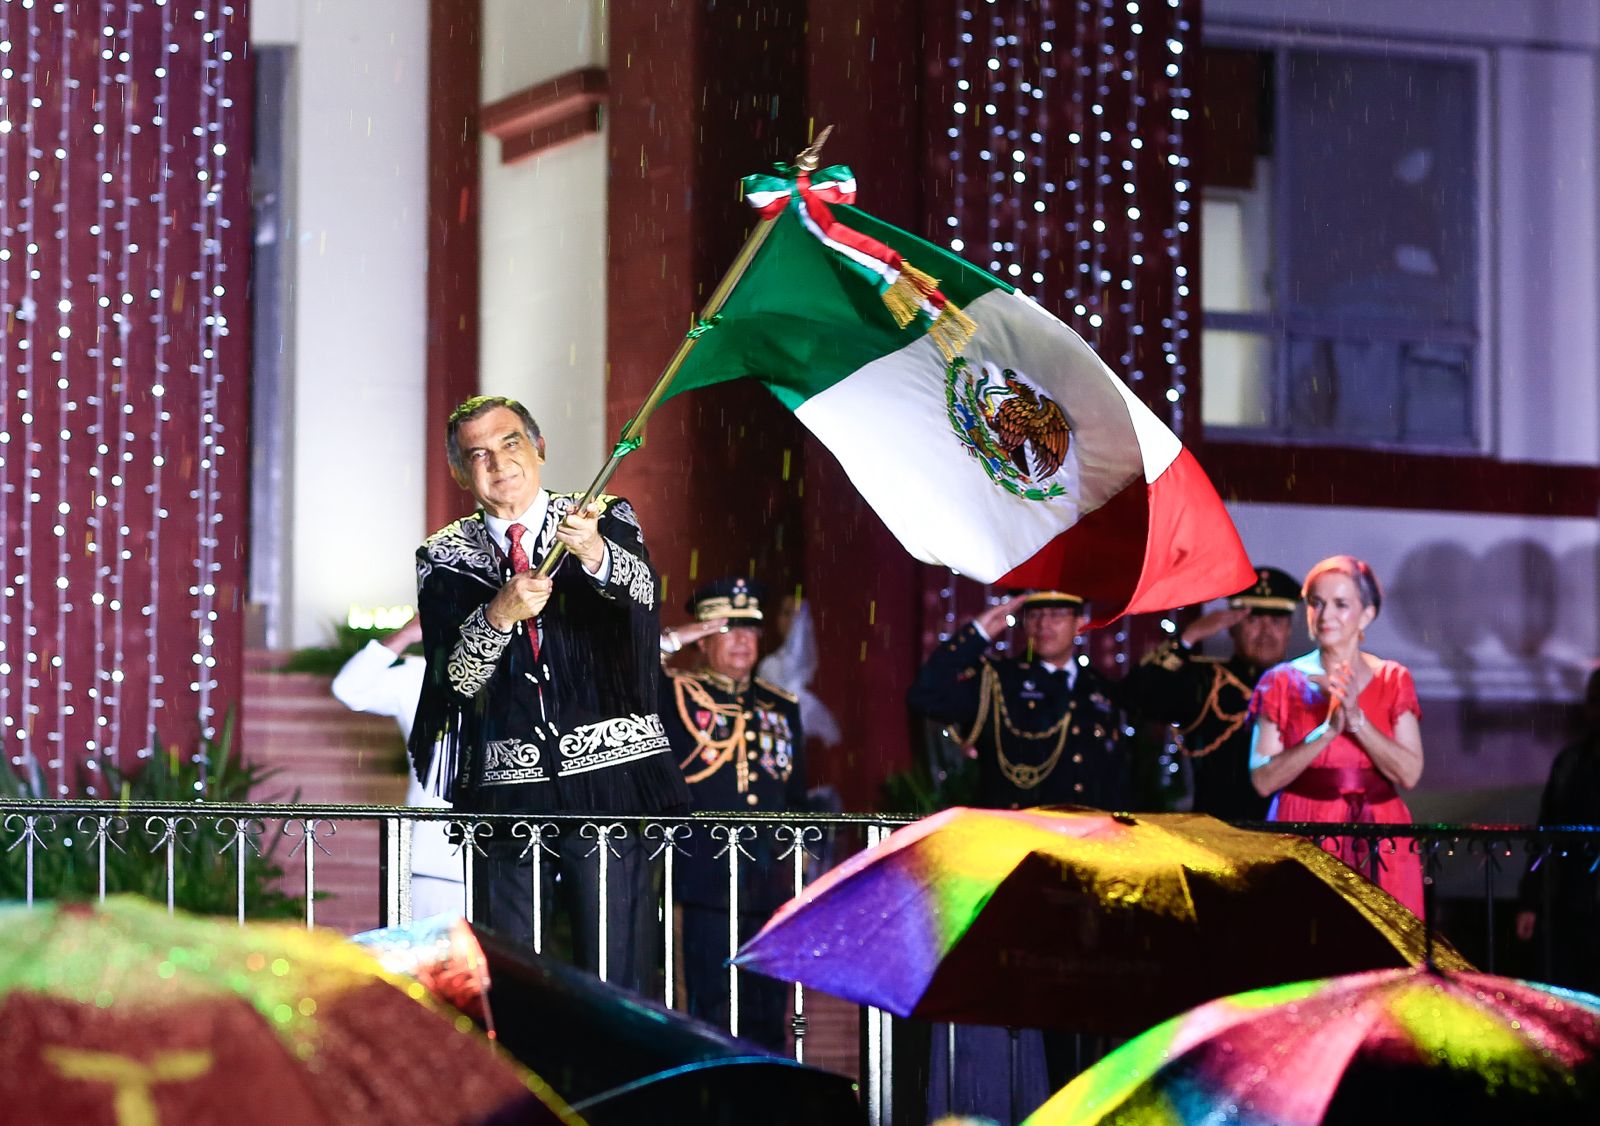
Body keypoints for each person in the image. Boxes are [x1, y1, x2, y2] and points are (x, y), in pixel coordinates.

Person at [409, 394, 689, 993]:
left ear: (539, 449)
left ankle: (623, 1082)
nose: (497, 463)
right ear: (461, 473)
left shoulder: (602, 513)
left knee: (618, 969)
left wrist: (593, 553)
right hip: (508, 793)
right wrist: (496, 616)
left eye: (510, 443)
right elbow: (451, 682)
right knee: (512, 974)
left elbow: (642, 606)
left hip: (612, 782)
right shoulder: (442, 555)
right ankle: (527, 1084)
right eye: (476, 455)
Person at [658, 577, 806, 1049]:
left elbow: (795, 796)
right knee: (710, 1009)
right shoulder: (677, 694)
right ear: (703, 640)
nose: (742, 639)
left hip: (770, 882)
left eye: (749, 628)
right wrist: (677, 637)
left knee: (768, 1012)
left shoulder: (781, 706)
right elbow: (627, 668)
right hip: (705, 879)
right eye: (726, 628)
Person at [1248, 555, 1425, 916]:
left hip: (1380, 834)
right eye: (1317, 603)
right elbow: (1263, 779)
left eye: (1341, 604)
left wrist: (1357, 720)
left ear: (1366, 614)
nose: (1325, 615)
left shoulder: (1393, 678)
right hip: (1302, 826)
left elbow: (1409, 773)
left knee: (1383, 951)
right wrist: (1327, 731)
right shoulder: (1280, 681)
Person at [908, 590, 1128, 811]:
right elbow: (925, 696)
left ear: (1079, 622)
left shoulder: (1100, 687)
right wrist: (976, 634)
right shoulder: (998, 680)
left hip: (1090, 837)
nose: (1043, 624)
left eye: (1056, 614)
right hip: (1019, 836)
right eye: (1034, 615)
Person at [1117, 567, 1300, 821]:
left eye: (1277, 621)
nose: (1266, 631)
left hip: (1290, 834)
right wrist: (1189, 637)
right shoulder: (1207, 681)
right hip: (1216, 833)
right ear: (1232, 627)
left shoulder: (1305, 688)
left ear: (1290, 628)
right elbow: (1133, 695)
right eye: (1254, 620)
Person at [330, 614, 465, 918]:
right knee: (429, 961)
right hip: (434, 860)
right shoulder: (420, 678)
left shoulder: (524, 679)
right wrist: (405, 635)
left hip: (511, 861)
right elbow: (349, 689)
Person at [1515, 667, 1600, 994]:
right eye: (1594, 701)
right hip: (1571, 907)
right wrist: (1529, 902)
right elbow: (1544, 836)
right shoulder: (1570, 764)